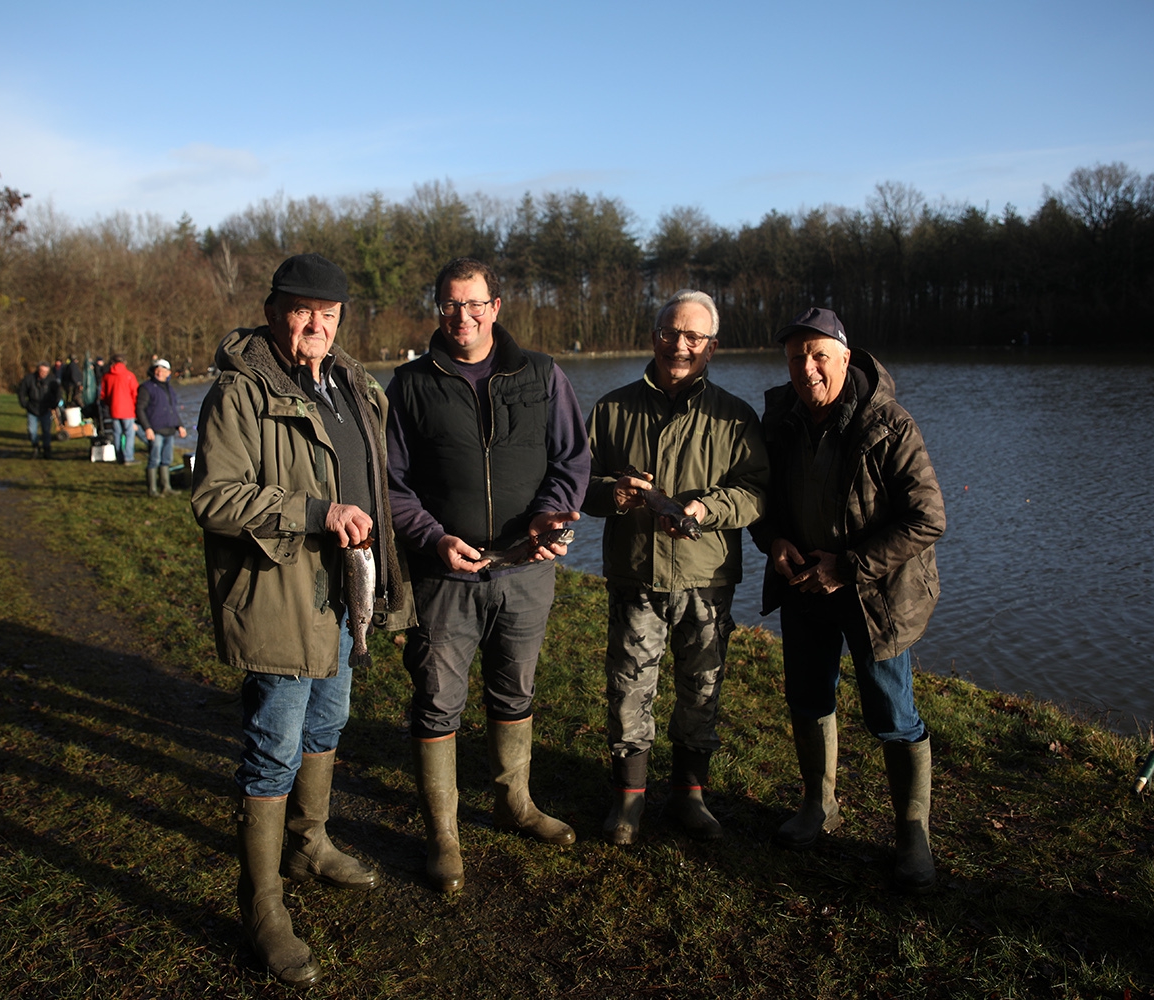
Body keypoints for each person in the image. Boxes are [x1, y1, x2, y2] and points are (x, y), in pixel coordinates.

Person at [192, 253, 412, 986]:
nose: (316, 324)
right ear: (273, 311)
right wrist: (317, 513)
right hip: (279, 599)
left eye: (329, 313)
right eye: (301, 310)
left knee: (327, 727)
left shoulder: (354, 384)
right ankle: (262, 906)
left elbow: (378, 485)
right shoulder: (239, 392)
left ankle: (309, 844)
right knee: (272, 750)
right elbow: (214, 497)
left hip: (346, 596)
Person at [386, 256, 589, 893]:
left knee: (515, 690)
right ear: (438, 309)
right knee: (436, 699)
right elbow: (391, 485)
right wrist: (432, 537)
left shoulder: (542, 374)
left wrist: (551, 515)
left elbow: (572, 460)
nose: (463, 316)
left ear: (496, 307)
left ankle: (514, 803)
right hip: (443, 576)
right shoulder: (410, 385)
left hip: (525, 570)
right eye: (451, 304)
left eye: (475, 303)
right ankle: (443, 836)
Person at [750, 307, 945, 891]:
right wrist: (774, 540)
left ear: (845, 357)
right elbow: (758, 499)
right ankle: (819, 805)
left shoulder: (889, 423)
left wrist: (849, 566)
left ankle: (913, 835)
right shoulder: (779, 420)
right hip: (804, 588)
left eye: (819, 357)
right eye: (796, 358)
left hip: (876, 596)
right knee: (808, 698)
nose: (806, 369)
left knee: (893, 715)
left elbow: (927, 518)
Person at [582, 290, 768, 844]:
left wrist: (707, 509)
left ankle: (691, 796)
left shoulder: (735, 416)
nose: (679, 346)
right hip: (635, 576)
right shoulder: (611, 409)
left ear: (712, 347)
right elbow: (575, 484)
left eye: (693, 337)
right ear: (654, 337)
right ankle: (629, 799)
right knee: (628, 688)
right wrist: (613, 494)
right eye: (670, 333)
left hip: (706, 581)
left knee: (701, 690)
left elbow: (756, 492)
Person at [137, 358, 188, 497]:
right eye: (157, 370)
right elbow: (140, 409)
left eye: (163, 371)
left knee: (167, 459)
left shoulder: (170, 389)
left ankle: (166, 487)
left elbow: (172, 409)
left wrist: (180, 425)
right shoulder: (147, 387)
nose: (160, 373)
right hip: (155, 430)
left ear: (168, 373)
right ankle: (152, 490)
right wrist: (147, 428)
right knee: (154, 459)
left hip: (169, 429)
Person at [99, 354, 140, 464]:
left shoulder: (107, 377)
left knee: (117, 434)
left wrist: (109, 404)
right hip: (128, 409)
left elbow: (104, 394)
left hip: (114, 409)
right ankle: (128, 457)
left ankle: (119, 456)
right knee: (129, 434)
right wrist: (136, 407)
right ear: (124, 362)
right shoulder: (129, 375)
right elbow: (135, 393)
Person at [17, 360, 61, 459]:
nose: (43, 374)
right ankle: (35, 446)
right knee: (32, 431)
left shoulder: (52, 380)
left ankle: (47, 449)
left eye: (46, 372)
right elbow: (21, 392)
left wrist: (53, 405)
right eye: (42, 371)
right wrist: (25, 404)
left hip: (46, 409)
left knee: (46, 431)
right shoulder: (29, 379)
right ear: (38, 370)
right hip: (32, 409)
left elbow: (58, 394)